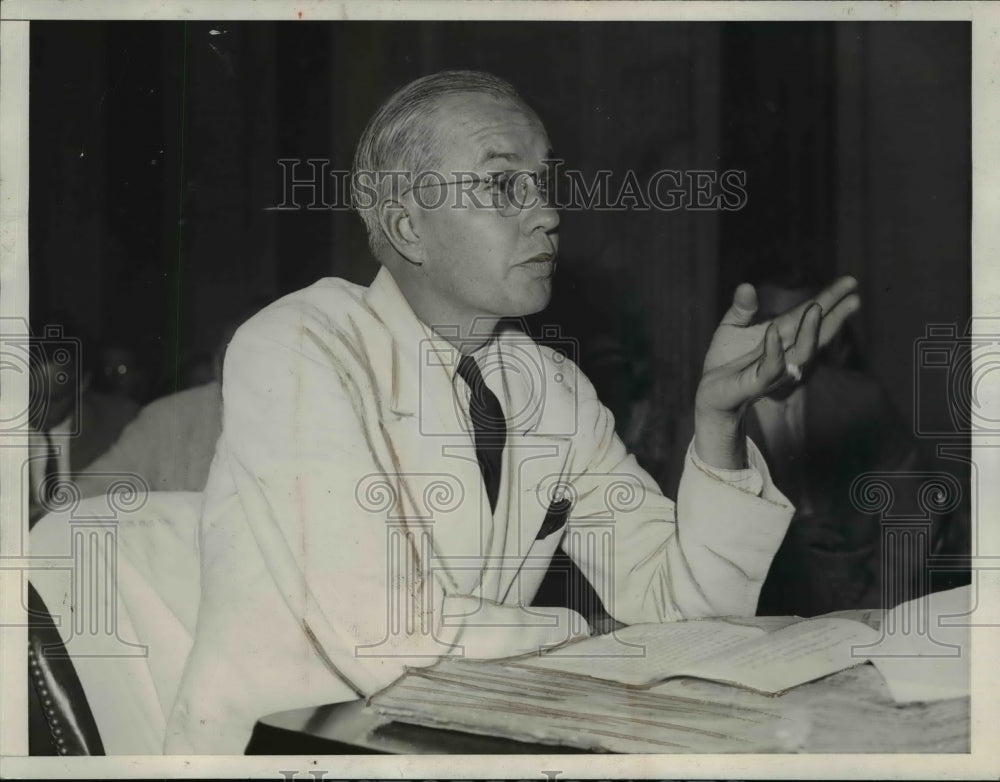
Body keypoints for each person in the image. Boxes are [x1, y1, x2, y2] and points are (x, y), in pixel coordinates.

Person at [165, 70, 859, 753]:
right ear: (409, 226)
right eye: (503, 185)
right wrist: (584, 636)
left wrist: (718, 422)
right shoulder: (299, 346)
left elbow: (685, 610)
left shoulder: (549, 384)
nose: (549, 213)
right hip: (286, 750)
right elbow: (387, 636)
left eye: (544, 182)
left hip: (461, 735)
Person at [27, 315, 139, 526]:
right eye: (31, 395)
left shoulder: (121, 423)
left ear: (83, 383)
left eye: (55, 399)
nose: (38, 411)